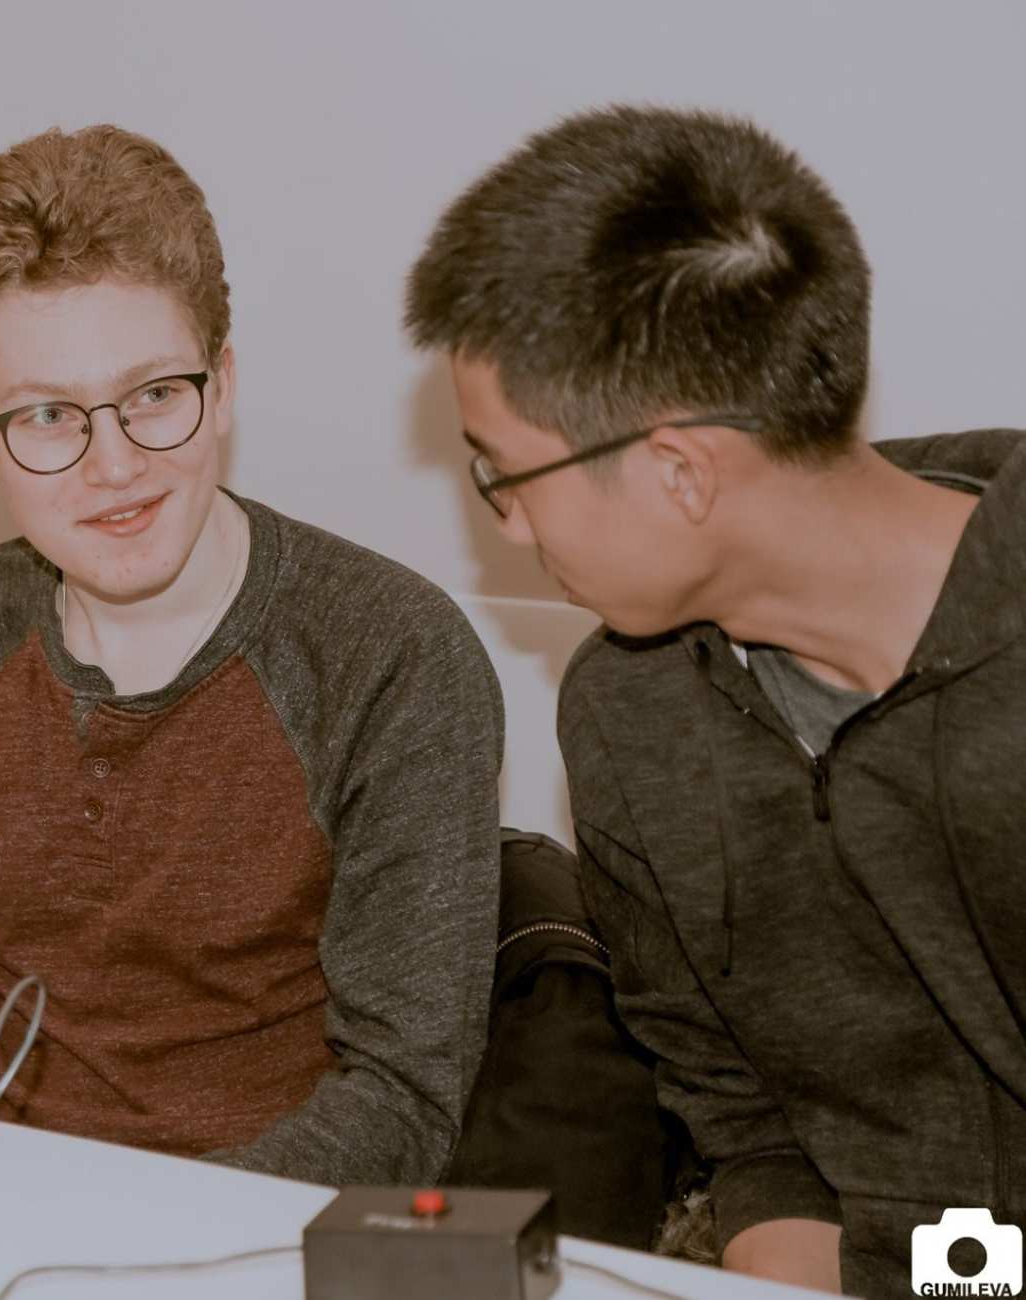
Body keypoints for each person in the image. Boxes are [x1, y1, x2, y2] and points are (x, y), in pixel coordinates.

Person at [405, 105, 1025, 1297]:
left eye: (502, 476)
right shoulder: (628, 712)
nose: (509, 527)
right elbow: (740, 1115)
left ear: (679, 470)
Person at [0, 125, 503, 1185]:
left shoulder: (391, 652)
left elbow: (400, 1092)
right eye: (49, 415)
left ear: (222, 381)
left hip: (262, 1238)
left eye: (153, 394)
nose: (115, 467)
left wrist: (149, 1241)